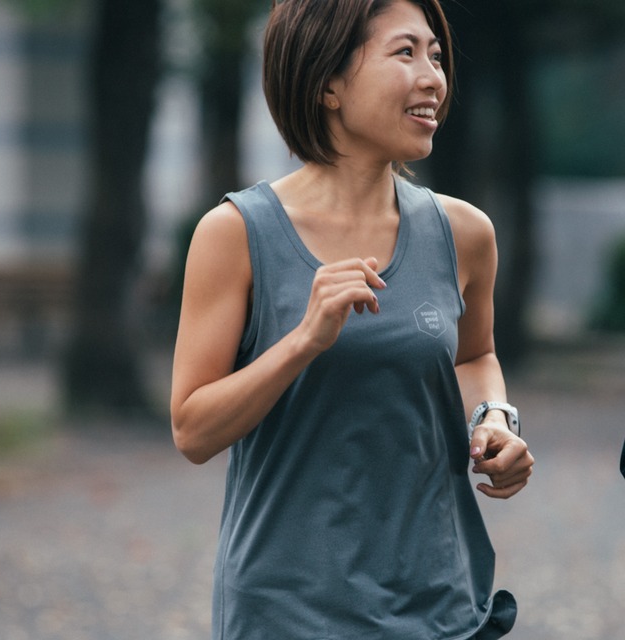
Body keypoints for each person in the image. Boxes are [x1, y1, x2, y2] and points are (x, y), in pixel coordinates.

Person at [170, 0, 535, 638]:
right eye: (405, 52)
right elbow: (193, 430)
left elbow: (474, 357)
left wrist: (494, 419)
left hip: (440, 606)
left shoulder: (464, 233)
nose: (434, 78)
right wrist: (303, 341)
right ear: (327, 84)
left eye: (436, 55)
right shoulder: (234, 234)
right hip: (287, 612)